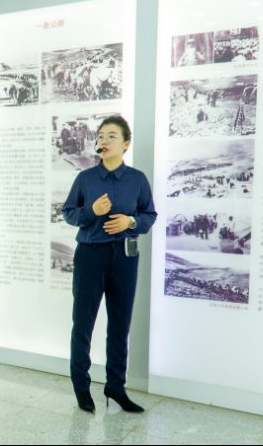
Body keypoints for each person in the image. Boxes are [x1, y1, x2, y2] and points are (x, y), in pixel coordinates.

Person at [62, 115, 157, 414]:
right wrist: (91, 210)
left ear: (126, 144)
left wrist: (131, 222)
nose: (103, 140)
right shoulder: (85, 179)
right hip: (90, 256)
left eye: (111, 136)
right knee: (83, 323)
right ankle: (81, 386)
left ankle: (116, 387)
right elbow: (68, 213)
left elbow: (149, 215)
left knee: (120, 324)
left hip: (125, 258)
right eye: (101, 135)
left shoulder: (137, 180)